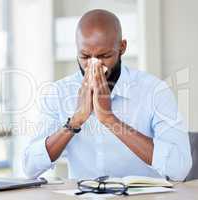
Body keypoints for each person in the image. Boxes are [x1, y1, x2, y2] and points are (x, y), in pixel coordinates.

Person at [22, 9, 192, 181]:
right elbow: (29, 167)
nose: (94, 65)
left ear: (122, 47)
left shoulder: (154, 90)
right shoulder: (59, 93)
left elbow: (179, 169)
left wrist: (110, 119)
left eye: (104, 56)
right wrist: (75, 121)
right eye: (85, 56)